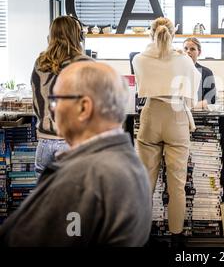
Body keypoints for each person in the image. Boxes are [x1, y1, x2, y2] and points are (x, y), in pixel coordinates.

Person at [0, 61, 152, 246]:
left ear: (83, 107)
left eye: (56, 100)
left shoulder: (82, 179)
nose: (52, 108)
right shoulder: (129, 163)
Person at [132, 17, 201, 241]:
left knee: (145, 184)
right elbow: (191, 98)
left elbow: (141, 86)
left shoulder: (139, 59)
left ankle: (141, 235)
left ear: (151, 33)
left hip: (151, 115)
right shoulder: (184, 61)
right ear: (174, 34)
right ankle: (176, 236)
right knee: (177, 184)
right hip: (176, 115)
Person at [31, 15, 92, 178]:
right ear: (77, 36)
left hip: (44, 144)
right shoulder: (86, 64)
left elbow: (36, 104)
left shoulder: (40, 63)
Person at [183, 37, 216, 109]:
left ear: (199, 52)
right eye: (185, 48)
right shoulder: (176, 70)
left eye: (192, 49)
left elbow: (211, 99)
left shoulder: (206, 73)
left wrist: (192, 107)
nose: (188, 51)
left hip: (200, 115)